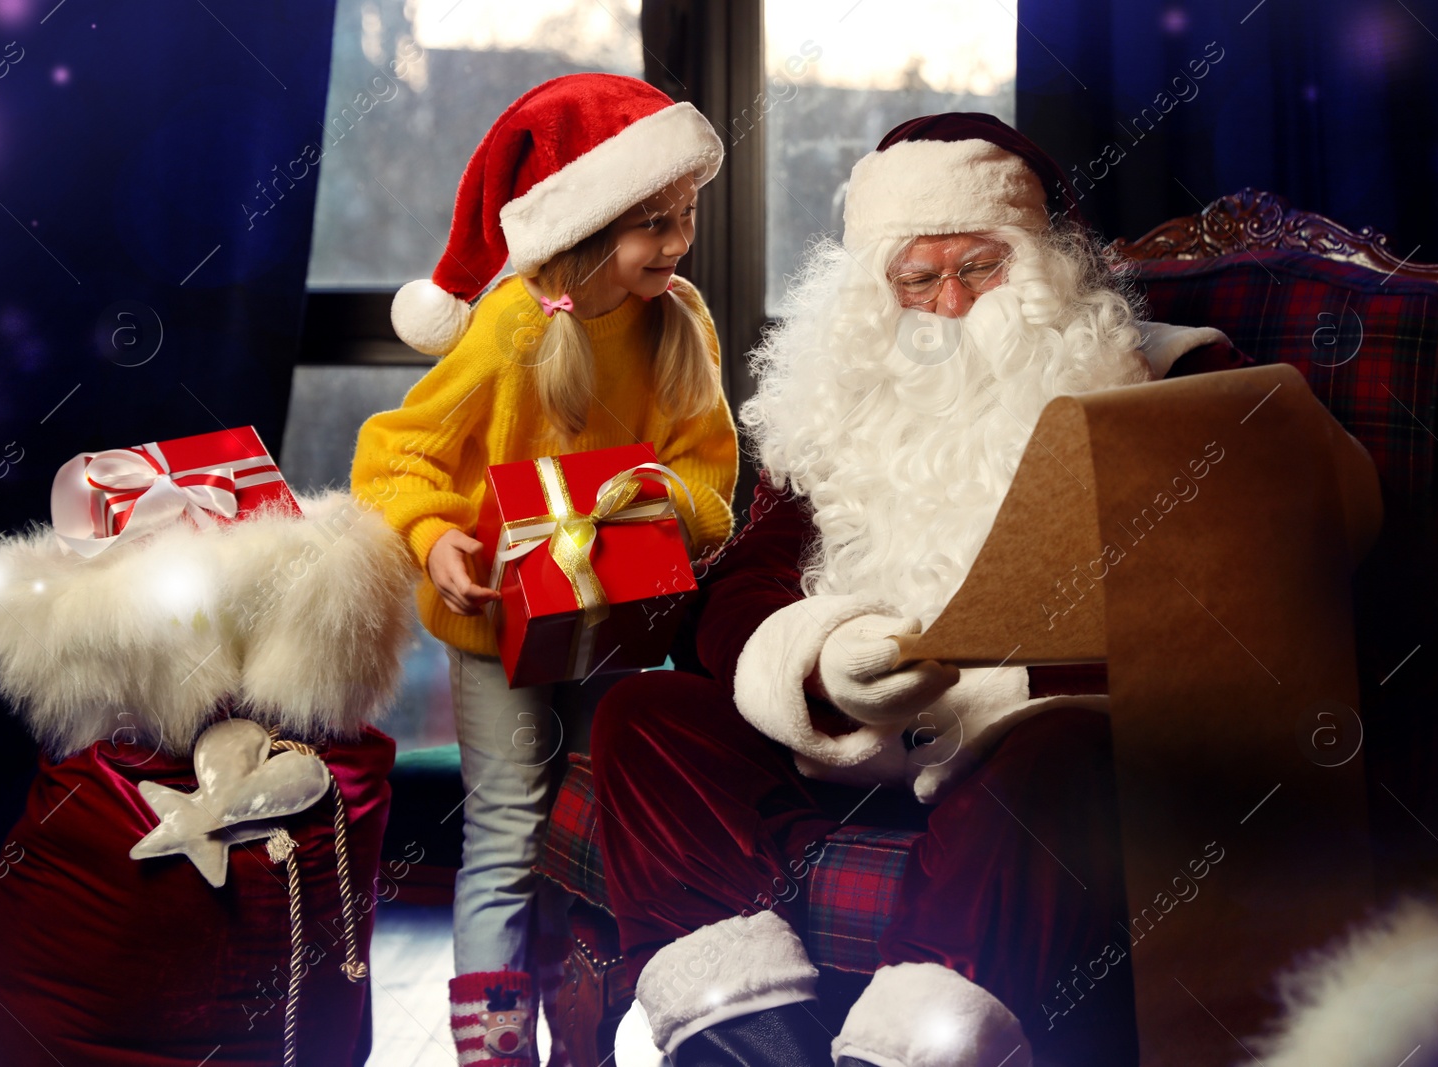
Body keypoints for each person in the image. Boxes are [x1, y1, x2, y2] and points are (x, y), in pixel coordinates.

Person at [592, 113, 1249, 1067]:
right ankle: (750, 1041)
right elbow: (736, 599)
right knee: (646, 713)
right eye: (915, 277)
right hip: (853, 741)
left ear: (1042, 264)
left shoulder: (1165, 376)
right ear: (875, 291)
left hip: (1030, 746)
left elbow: (1229, 586)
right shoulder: (835, 401)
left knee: (1059, 752)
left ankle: (911, 1053)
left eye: (979, 267)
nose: (947, 304)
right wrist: (822, 656)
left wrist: (1010, 685)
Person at [350, 73, 738, 1067]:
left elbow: (710, 472)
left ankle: (592, 1010)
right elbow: (399, 453)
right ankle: (492, 1042)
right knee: (508, 822)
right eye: (652, 224)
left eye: (684, 218)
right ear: (589, 223)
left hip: (612, 614)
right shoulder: (514, 327)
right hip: (493, 629)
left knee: (599, 808)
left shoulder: (678, 321)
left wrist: (664, 501)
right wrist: (435, 536)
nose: (675, 244)